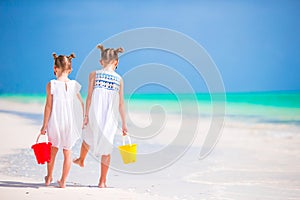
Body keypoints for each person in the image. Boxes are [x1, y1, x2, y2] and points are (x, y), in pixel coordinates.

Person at [73, 44, 127, 188]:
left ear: (101, 62)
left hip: (94, 113)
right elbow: (121, 103)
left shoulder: (94, 74)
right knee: (107, 148)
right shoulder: (119, 79)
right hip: (110, 118)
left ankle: (81, 159)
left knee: (87, 136)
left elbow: (89, 97)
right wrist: (124, 124)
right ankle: (102, 181)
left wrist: (86, 115)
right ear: (116, 62)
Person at [40, 53, 84, 188]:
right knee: (67, 152)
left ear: (55, 68)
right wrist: (83, 119)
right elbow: (80, 104)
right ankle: (63, 181)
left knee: (52, 151)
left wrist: (44, 125)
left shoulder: (51, 84)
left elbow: (48, 106)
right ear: (70, 70)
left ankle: (48, 178)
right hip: (69, 122)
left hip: (56, 121)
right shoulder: (74, 85)